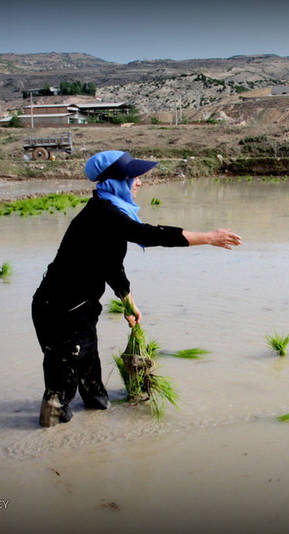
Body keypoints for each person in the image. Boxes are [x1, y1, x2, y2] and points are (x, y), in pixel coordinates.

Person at [32, 150, 242, 427]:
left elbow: (110, 265)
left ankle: (92, 409)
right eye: (134, 177)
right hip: (62, 308)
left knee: (91, 377)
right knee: (62, 379)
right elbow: (147, 234)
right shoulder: (103, 214)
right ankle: (54, 437)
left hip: (74, 306)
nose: (140, 182)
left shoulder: (105, 210)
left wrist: (128, 302)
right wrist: (208, 237)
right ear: (115, 180)